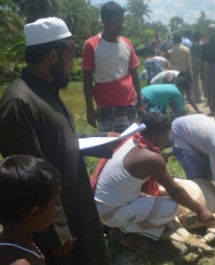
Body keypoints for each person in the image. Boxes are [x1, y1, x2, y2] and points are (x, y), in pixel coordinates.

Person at [0, 17, 111, 264]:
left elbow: (60, 141)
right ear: (52, 56)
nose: (73, 64)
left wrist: (103, 139)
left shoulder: (46, 92)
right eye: (71, 56)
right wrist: (57, 232)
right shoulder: (20, 102)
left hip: (75, 205)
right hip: (58, 223)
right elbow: (31, 180)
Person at [93, 112, 215, 242]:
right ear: (155, 135)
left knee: (161, 194)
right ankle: (129, 229)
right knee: (172, 208)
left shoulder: (132, 139)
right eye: (166, 135)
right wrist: (201, 210)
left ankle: (129, 224)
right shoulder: (151, 158)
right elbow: (175, 191)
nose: (168, 139)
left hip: (101, 205)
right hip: (110, 214)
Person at [82, 1, 144, 133]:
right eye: (116, 22)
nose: (120, 26)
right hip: (105, 105)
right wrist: (89, 108)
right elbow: (87, 80)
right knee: (110, 147)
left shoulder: (127, 43)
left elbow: (134, 74)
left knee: (129, 144)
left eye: (121, 21)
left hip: (129, 103)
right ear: (104, 20)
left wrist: (141, 103)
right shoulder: (91, 45)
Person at [0, 155, 62, 265]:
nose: (57, 207)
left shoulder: (15, 243)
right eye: (56, 203)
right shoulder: (20, 262)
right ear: (35, 214)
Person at [190, 31, 203, 103]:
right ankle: (206, 97)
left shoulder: (191, 47)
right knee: (204, 81)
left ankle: (198, 98)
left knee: (195, 82)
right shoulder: (202, 46)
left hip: (194, 64)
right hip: (202, 64)